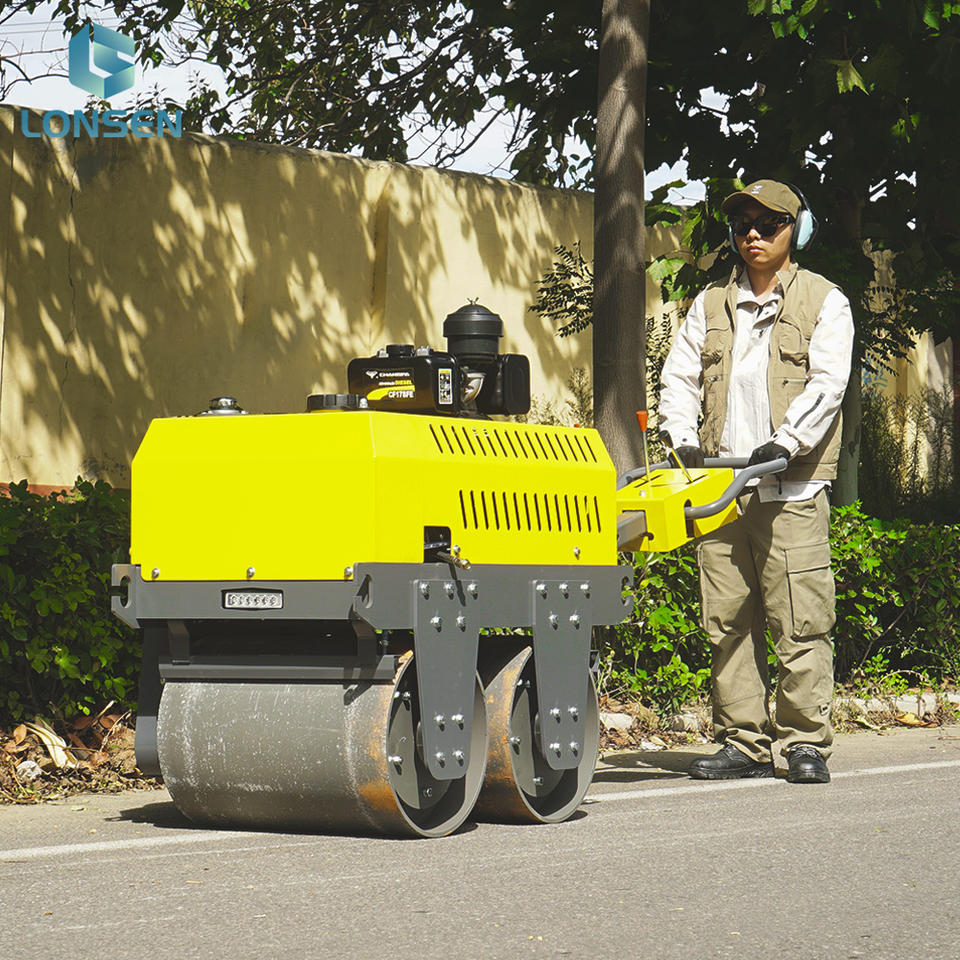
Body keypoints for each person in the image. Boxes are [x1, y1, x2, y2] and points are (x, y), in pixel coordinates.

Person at [658, 179, 854, 784]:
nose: (753, 235)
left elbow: (828, 384)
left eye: (769, 224)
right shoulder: (709, 304)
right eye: (743, 224)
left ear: (798, 230)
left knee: (800, 619)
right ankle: (742, 741)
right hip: (720, 487)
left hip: (790, 487)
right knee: (727, 620)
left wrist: (786, 442)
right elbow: (679, 378)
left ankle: (804, 743)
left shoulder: (825, 301)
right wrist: (682, 440)